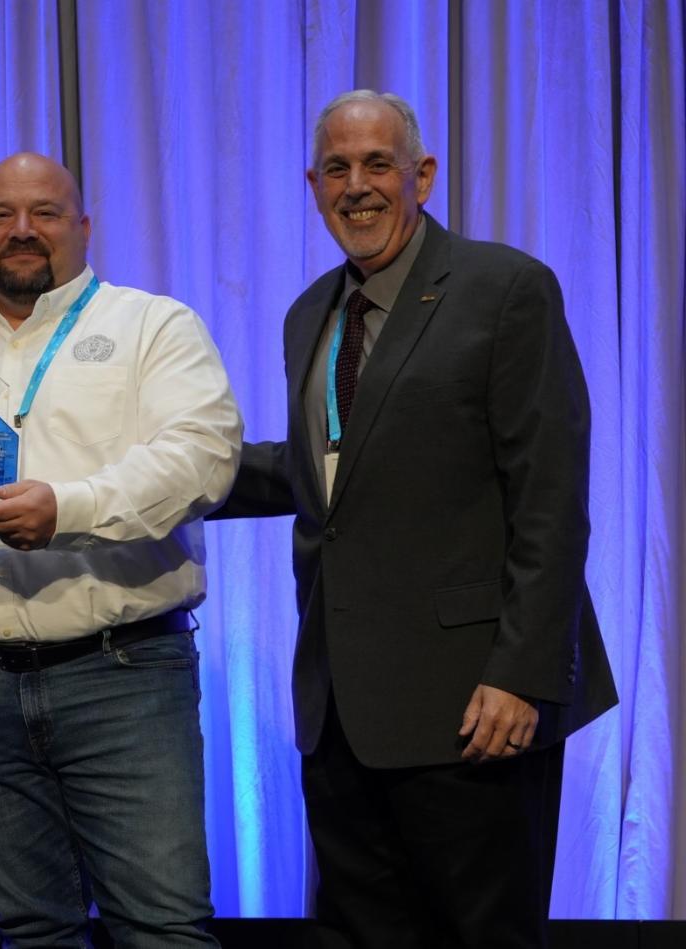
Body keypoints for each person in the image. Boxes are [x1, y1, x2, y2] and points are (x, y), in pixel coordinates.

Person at [218, 91, 618, 948]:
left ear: (421, 176)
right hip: (341, 715)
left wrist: (523, 672)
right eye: (337, 168)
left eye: (376, 165)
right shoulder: (311, 313)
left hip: (473, 706)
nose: (356, 187)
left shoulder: (504, 288)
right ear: (312, 184)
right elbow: (322, 471)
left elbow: (551, 497)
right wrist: (154, 480)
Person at [0, 152, 242, 948]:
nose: (23, 231)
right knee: (30, 931)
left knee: (161, 928)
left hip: (122, 675)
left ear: (84, 227)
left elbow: (203, 457)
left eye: (46, 213)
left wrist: (70, 509)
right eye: (1, 214)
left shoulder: (152, 326)